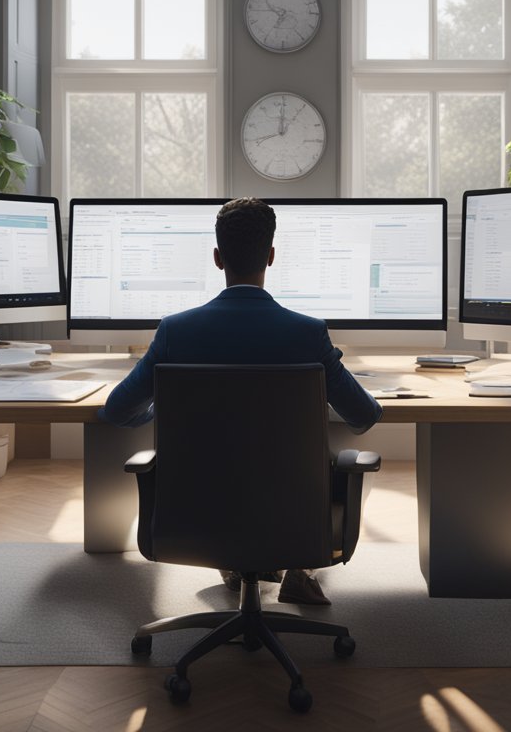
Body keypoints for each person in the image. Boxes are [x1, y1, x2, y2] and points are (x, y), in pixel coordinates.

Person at [98, 197, 382, 605]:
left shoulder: (175, 331)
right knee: (342, 457)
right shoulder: (307, 333)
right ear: (270, 256)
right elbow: (362, 415)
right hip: (293, 517)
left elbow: (118, 410)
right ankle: (297, 565)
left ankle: (233, 559)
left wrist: (169, 406)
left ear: (217, 258)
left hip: (195, 516)